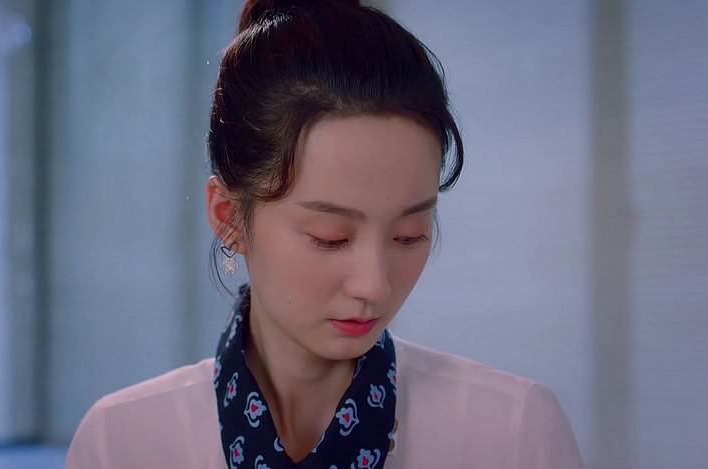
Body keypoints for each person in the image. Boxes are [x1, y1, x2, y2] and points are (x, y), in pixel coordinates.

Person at [66, 0, 584, 467]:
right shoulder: (122, 441)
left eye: (409, 234)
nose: (374, 285)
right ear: (229, 217)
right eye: (330, 237)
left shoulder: (512, 431)